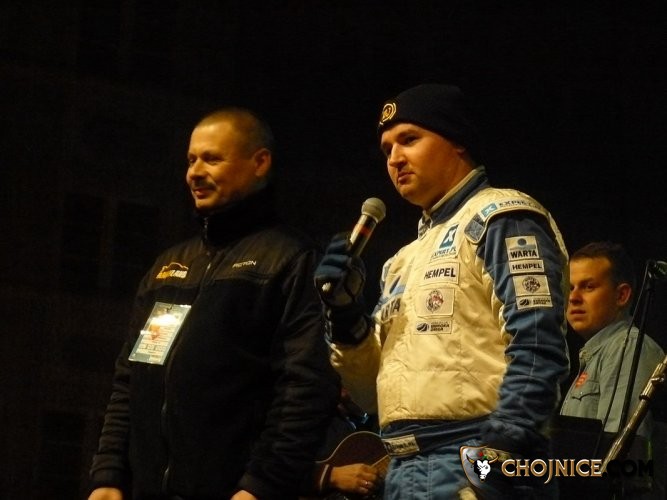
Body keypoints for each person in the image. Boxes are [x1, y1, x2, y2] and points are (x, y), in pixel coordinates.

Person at [314, 83, 570, 499]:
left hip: (473, 456)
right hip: (401, 467)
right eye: (386, 149)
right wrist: (343, 315)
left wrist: (500, 455)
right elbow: (369, 396)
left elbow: (538, 343)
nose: (395, 158)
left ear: (458, 140)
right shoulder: (402, 261)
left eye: (409, 139)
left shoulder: (502, 216)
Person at [87, 107, 341, 500]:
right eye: (191, 160)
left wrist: (261, 486)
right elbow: (130, 381)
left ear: (259, 163)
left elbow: (306, 387)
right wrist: (108, 474)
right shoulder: (168, 267)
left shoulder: (291, 260)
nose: (195, 172)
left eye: (212, 159)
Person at [559, 241, 665, 498]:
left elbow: (621, 460)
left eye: (588, 287)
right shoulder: (597, 354)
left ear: (622, 296)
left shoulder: (627, 348)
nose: (573, 297)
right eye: (570, 288)